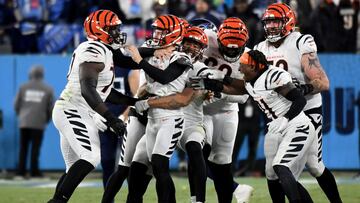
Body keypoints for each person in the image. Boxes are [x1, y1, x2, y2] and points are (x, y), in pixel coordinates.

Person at [191, 49, 316, 203]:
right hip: (276, 128)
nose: (239, 68)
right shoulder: (252, 80)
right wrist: (212, 82)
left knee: (280, 167)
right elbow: (237, 86)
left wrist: (286, 119)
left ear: (253, 66)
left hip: (295, 124)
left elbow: (300, 100)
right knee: (272, 176)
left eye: (242, 65)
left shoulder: (273, 75)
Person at [47, 9, 145, 203]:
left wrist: (134, 101)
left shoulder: (105, 50)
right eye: (113, 29)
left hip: (77, 109)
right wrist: (111, 118)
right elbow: (87, 90)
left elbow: (108, 90)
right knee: (91, 157)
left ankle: (58, 200)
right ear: (99, 30)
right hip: (73, 108)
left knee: (73, 166)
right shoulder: (93, 49)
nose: (117, 33)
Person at [254, 2, 342, 202]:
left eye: (276, 22)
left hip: (307, 109)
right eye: (268, 22)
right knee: (276, 169)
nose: (271, 27)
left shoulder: (301, 42)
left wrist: (302, 89)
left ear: (288, 22)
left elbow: (323, 82)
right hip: (279, 115)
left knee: (314, 166)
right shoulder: (260, 48)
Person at [134, 26, 210, 203]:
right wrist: (149, 91)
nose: (191, 47)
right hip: (157, 120)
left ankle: (198, 200)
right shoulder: (167, 60)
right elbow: (142, 91)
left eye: (196, 45)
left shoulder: (198, 68)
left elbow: (183, 99)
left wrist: (149, 101)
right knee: (140, 168)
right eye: (188, 43)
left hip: (187, 122)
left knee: (193, 148)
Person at [195, 17, 253, 203]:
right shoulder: (205, 38)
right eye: (227, 46)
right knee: (199, 153)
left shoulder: (249, 58)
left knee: (221, 163)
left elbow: (244, 96)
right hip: (200, 110)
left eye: (236, 48)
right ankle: (197, 200)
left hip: (226, 111)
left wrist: (218, 89)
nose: (231, 51)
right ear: (218, 39)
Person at [14, 65, 54, 178]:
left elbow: (16, 104)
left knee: (23, 148)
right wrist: (46, 119)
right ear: (42, 74)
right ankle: (34, 172)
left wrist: (21, 116)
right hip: (39, 122)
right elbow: (51, 107)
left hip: (24, 122)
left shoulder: (23, 87)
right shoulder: (48, 89)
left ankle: (20, 172)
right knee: (35, 148)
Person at [232, 98, 262, 176]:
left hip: (254, 125)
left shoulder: (257, 96)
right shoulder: (240, 95)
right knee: (235, 147)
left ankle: (249, 170)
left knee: (253, 149)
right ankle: (231, 169)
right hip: (241, 124)